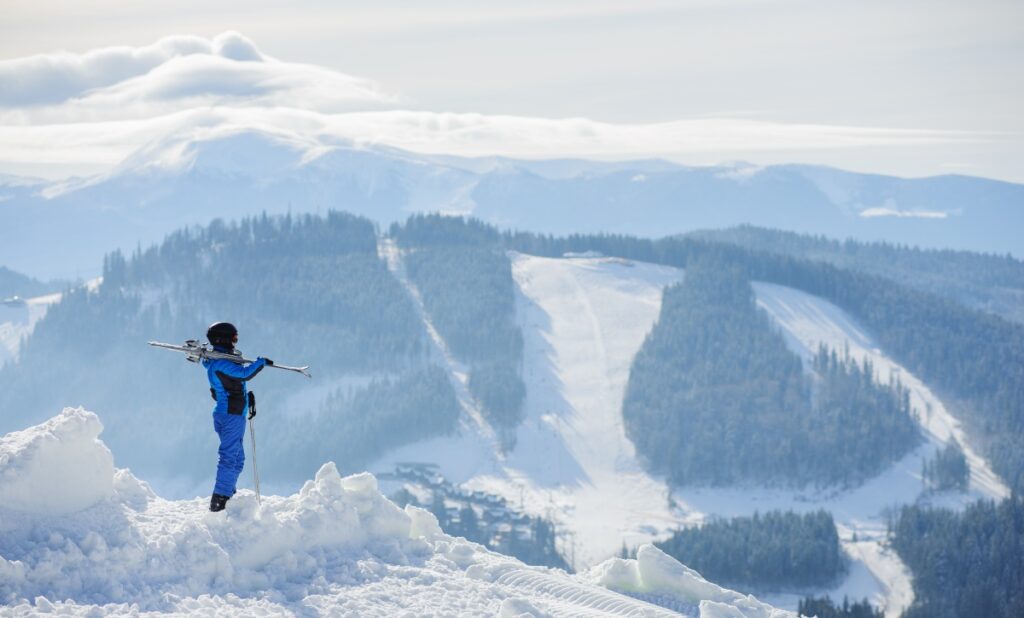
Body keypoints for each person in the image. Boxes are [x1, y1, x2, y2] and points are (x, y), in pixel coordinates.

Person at [202, 322, 272, 512]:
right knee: (229, 457)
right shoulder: (221, 364)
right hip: (230, 416)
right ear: (222, 339)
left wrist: (247, 400)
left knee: (238, 459)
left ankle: (227, 495)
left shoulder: (219, 361)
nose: (235, 341)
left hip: (232, 414)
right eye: (234, 338)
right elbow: (244, 374)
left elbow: (230, 386)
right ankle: (220, 500)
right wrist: (261, 363)